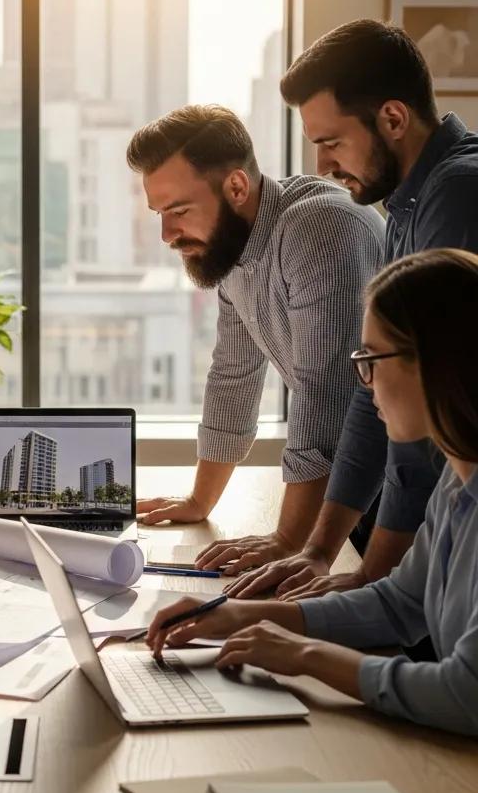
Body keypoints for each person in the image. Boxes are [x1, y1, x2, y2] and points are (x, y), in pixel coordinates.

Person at [146, 248, 478, 737]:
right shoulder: (458, 476)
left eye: (370, 360)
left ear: (433, 362)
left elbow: (464, 695)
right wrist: (238, 614)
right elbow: (400, 605)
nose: (364, 385)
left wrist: (305, 655)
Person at [208, 20, 478, 600]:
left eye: (332, 142)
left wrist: (370, 578)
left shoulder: (459, 196)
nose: (323, 164)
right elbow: (371, 391)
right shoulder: (403, 211)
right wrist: (315, 551)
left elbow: (421, 419)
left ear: (394, 119)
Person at [127, 105, 383, 560]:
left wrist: (286, 541)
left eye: (179, 210)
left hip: (415, 491)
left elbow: (323, 395)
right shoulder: (231, 247)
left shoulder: (319, 229)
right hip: (358, 486)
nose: (167, 233)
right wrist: (199, 501)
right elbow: (234, 373)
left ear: (237, 187)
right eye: (159, 213)